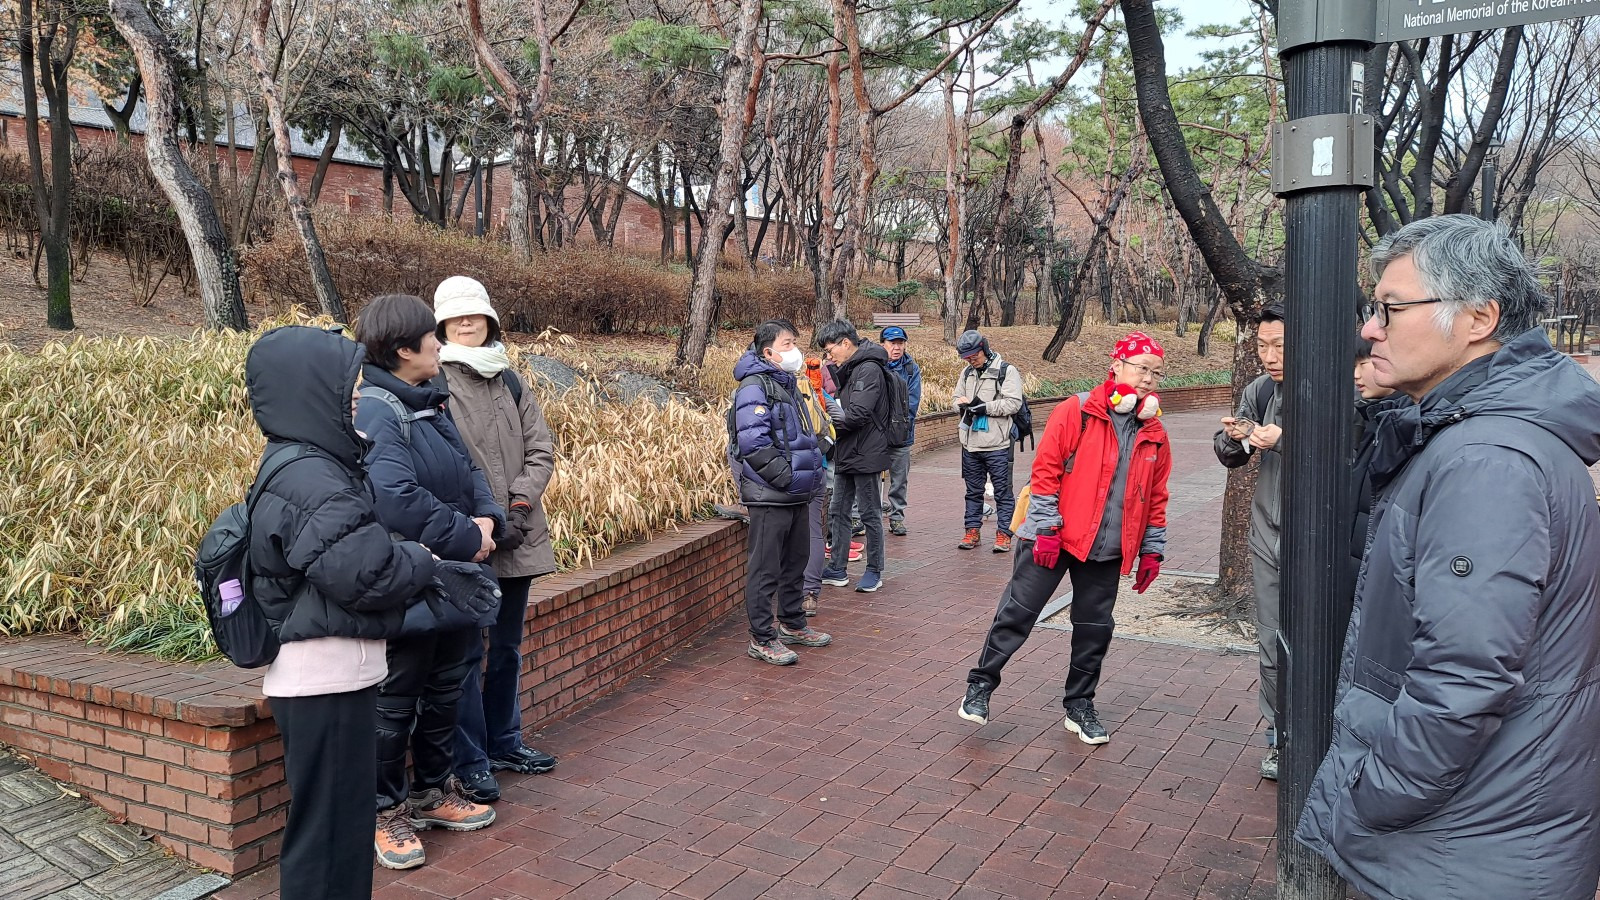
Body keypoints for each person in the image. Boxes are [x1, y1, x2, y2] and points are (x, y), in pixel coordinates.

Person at [1296, 215, 1600, 900]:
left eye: (1390, 309)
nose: (1370, 329)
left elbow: (1465, 676)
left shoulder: (1487, 461)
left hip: (1467, 846)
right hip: (1486, 831)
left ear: (1478, 319)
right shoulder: (1480, 438)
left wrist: (1376, 794)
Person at [245, 326, 439, 900]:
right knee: (328, 837)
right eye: (345, 384)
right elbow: (367, 575)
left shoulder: (305, 464)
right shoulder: (311, 476)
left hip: (328, 676)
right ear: (309, 389)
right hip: (324, 679)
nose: (357, 394)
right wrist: (423, 558)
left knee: (337, 831)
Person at [959, 332, 1171, 745]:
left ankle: (1079, 705)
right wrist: (1045, 527)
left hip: (1107, 550)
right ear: (1117, 366)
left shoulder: (1155, 432)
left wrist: (1152, 549)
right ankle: (980, 685)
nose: (1148, 378)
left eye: (1156, 372)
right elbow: (1046, 471)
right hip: (1053, 538)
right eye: (1141, 368)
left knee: (1094, 630)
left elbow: (1156, 496)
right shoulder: (1078, 411)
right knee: (1018, 614)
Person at [356, 294, 502, 869]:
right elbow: (395, 498)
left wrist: (488, 520)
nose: (439, 344)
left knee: (445, 689)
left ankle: (432, 792)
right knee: (396, 703)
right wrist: (469, 535)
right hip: (411, 579)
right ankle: (383, 811)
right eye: (430, 337)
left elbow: (469, 470)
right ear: (402, 349)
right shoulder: (377, 410)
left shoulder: (429, 401)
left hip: (455, 577)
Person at [432, 276, 560, 805]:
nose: (467, 322)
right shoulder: (434, 383)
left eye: (475, 314)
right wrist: (480, 522)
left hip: (519, 533)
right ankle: (471, 760)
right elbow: (443, 465)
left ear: (490, 320)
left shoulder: (509, 380)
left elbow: (541, 449)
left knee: (506, 648)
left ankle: (505, 741)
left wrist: (520, 506)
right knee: (465, 655)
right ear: (441, 325)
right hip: (468, 539)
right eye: (456, 315)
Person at [730, 320, 833, 664]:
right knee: (765, 569)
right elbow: (753, 442)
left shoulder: (785, 382)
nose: (794, 350)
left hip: (796, 492)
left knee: (795, 562)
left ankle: (792, 623)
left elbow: (800, 435)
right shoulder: (754, 387)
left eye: (794, 343)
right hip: (771, 493)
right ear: (768, 352)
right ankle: (762, 637)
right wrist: (786, 478)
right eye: (787, 344)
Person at [1212, 302, 1285, 780]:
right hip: (1267, 534)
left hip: (1321, 540)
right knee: (1271, 641)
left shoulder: (1343, 384)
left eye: (1279, 345)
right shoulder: (1260, 390)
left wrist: (1283, 439)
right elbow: (1228, 452)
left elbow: (1353, 445)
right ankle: (1279, 736)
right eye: (1262, 346)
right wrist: (1238, 437)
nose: (1269, 356)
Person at [817, 320, 891, 593]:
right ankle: (837, 568)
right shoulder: (851, 368)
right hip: (848, 449)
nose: (829, 357)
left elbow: (857, 415)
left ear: (845, 343)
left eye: (830, 350)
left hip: (866, 451)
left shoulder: (868, 368)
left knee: (870, 513)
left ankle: (874, 570)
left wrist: (827, 408)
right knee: (838, 510)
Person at [951, 330, 1024, 553]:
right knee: (973, 492)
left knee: (1002, 492)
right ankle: (972, 531)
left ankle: (1004, 534)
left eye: (974, 356)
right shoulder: (967, 373)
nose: (971, 361)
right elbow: (954, 399)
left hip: (998, 444)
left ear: (984, 348)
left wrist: (986, 407)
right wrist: (961, 404)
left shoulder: (1006, 371)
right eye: (967, 358)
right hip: (970, 443)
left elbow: (1014, 403)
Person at [796, 354, 836, 616]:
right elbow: (836, 420)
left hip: (782, 473)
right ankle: (810, 593)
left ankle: (788, 591)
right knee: (813, 532)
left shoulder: (758, 389)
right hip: (815, 468)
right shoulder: (810, 388)